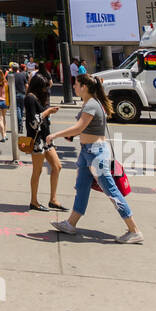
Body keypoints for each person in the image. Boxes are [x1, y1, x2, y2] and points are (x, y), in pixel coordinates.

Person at [50, 74, 143, 243]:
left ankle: (134, 230)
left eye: (76, 84)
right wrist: (74, 135)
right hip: (88, 152)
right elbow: (84, 129)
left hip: (96, 154)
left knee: (111, 191)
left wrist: (55, 135)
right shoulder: (89, 103)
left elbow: (79, 126)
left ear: (84, 86)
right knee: (82, 187)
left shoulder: (92, 104)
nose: (74, 87)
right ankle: (71, 224)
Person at [23, 74, 65, 211]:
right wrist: (48, 111)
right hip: (37, 140)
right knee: (37, 170)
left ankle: (53, 199)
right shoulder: (30, 98)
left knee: (57, 166)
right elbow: (33, 122)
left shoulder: (38, 97)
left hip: (45, 138)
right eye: (44, 87)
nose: (46, 89)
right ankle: (33, 201)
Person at [12, 62, 29, 135]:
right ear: (18, 68)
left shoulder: (11, 76)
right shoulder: (22, 75)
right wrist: (26, 93)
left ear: (12, 69)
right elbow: (27, 85)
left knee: (18, 110)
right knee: (21, 110)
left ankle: (20, 125)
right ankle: (21, 124)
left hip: (15, 94)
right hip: (22, 94)